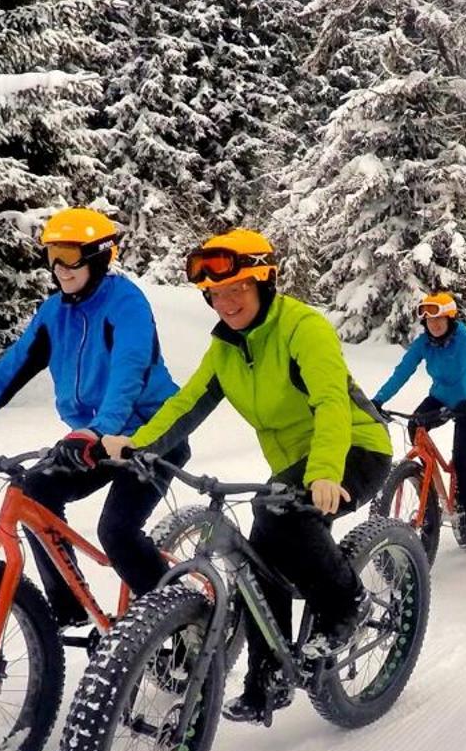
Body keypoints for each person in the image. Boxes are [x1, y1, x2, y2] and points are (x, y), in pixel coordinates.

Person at [102, 229, 392, 724]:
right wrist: (139, 445)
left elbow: (330, 403)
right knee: (259, 556)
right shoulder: (225, 350)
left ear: (265, 283)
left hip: (354, 446)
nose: (227, 301)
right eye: (217, 293)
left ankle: (347, 603)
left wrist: (324, 471)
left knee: (274, 515)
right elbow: (187, 403)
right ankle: (268, 678)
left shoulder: (303, 328)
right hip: (293, 464)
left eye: (239, 287)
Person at [0, 207, 183, 620]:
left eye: (70, 255)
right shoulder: (55, 312)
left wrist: (99, 430)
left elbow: (128, 374)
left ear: (99, 257)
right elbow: (9, 370)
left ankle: (175, 624)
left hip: (152, 433)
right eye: (52, 255)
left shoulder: (127, 303)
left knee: (116, 532)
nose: (60, 268)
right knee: (34, 493)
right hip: (93, 439)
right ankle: (68, 610)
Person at [371, 291, 466, 542]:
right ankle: (425, 480)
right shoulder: (424, 343)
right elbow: (402, 372)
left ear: (450, 319)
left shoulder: (465, 340)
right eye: (429, 320)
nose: (434, 325)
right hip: (441, 397)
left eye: (439, 319)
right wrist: (378, 399)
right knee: (416, 424)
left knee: (462, 462)